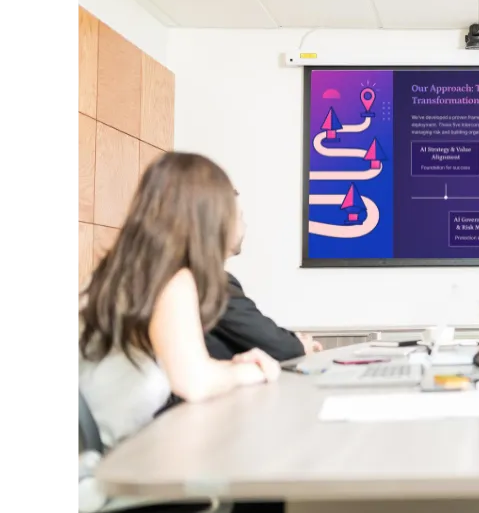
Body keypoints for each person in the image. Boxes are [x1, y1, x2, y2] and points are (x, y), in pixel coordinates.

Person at [78, 153, 285, 513]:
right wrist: (249, 371)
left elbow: (184, 367)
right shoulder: (173, 279)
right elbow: (193, 383)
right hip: (143, 475)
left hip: (126, 455)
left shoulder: (128, 273)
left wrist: (231, 365)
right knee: (264, 485)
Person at [205, 190, 323, 361]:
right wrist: (299, 346)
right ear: (222, 226)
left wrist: (293, 341)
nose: (245, 226)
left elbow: (253, 333)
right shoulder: (213, 284)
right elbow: (274, 344)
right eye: (240, 218)